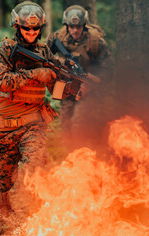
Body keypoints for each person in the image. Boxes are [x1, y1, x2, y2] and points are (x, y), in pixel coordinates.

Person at [0, 1, 81, 218]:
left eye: (35, 29)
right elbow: (0, 82)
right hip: (4, 123)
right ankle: (3, 199)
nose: (31, 32)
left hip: (33, 122)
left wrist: (71, 88)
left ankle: (37, 214)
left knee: (35, 165)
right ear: (17, 26)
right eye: (26, 28)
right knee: (5, 176)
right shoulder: (5, 49)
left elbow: (53, 88)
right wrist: (35, 74)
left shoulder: (44, 51)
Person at [45, 5, 112, 143]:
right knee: (67, 122)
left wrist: (94, 81)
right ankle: (71, 154)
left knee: (83, 124)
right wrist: (58, 62)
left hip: (90, 90)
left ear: (84, 26)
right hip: (67, 87)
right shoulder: (58, 38)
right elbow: (42, 55)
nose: (75, 30)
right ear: (67, 25)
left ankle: (88, 150)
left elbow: (108, 70)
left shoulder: (96, 42)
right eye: (71, 27)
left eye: (79, 27)